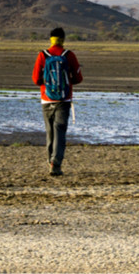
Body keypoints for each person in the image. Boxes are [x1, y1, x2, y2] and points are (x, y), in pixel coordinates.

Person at [32, 26, 83, 176]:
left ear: (51, 39)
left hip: (46, 99)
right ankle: (56, 163)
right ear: (63, 39)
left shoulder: (43, 55)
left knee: (50, 132)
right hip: (64, 100)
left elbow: (35, 79)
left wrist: (47, 84)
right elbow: (79, 78)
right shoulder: (69, 55)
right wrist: (66, 83)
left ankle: (50, 160)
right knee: (60, 132)